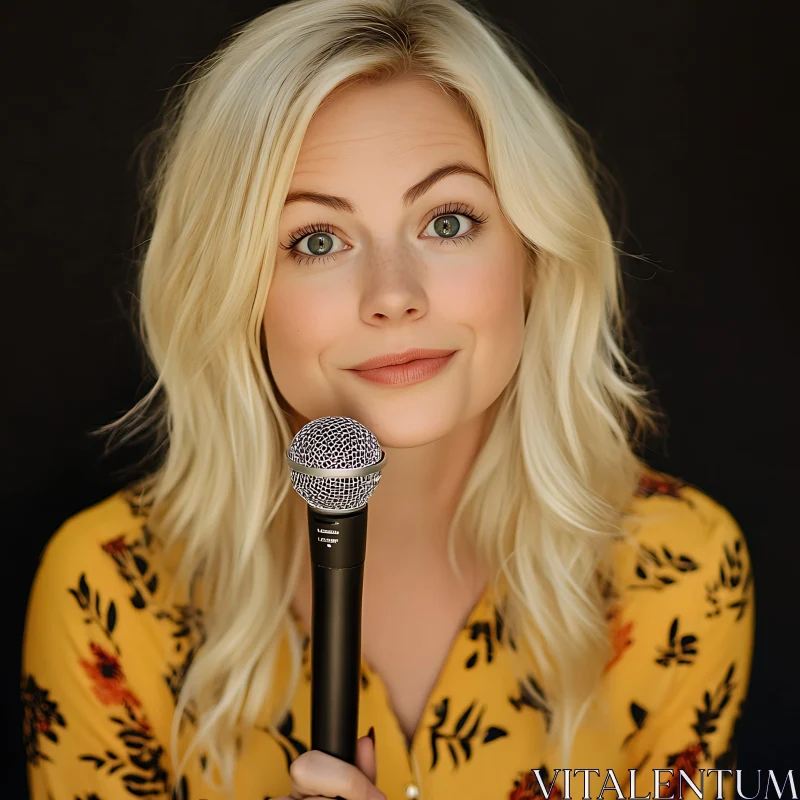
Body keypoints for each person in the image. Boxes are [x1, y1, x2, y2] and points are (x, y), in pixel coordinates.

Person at [21, 0, 755, 798]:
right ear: (238, 290)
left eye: (447, 221)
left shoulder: (677, 570)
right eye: (316, 239)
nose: (393, 296)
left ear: (534, 255)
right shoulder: (108, 596)